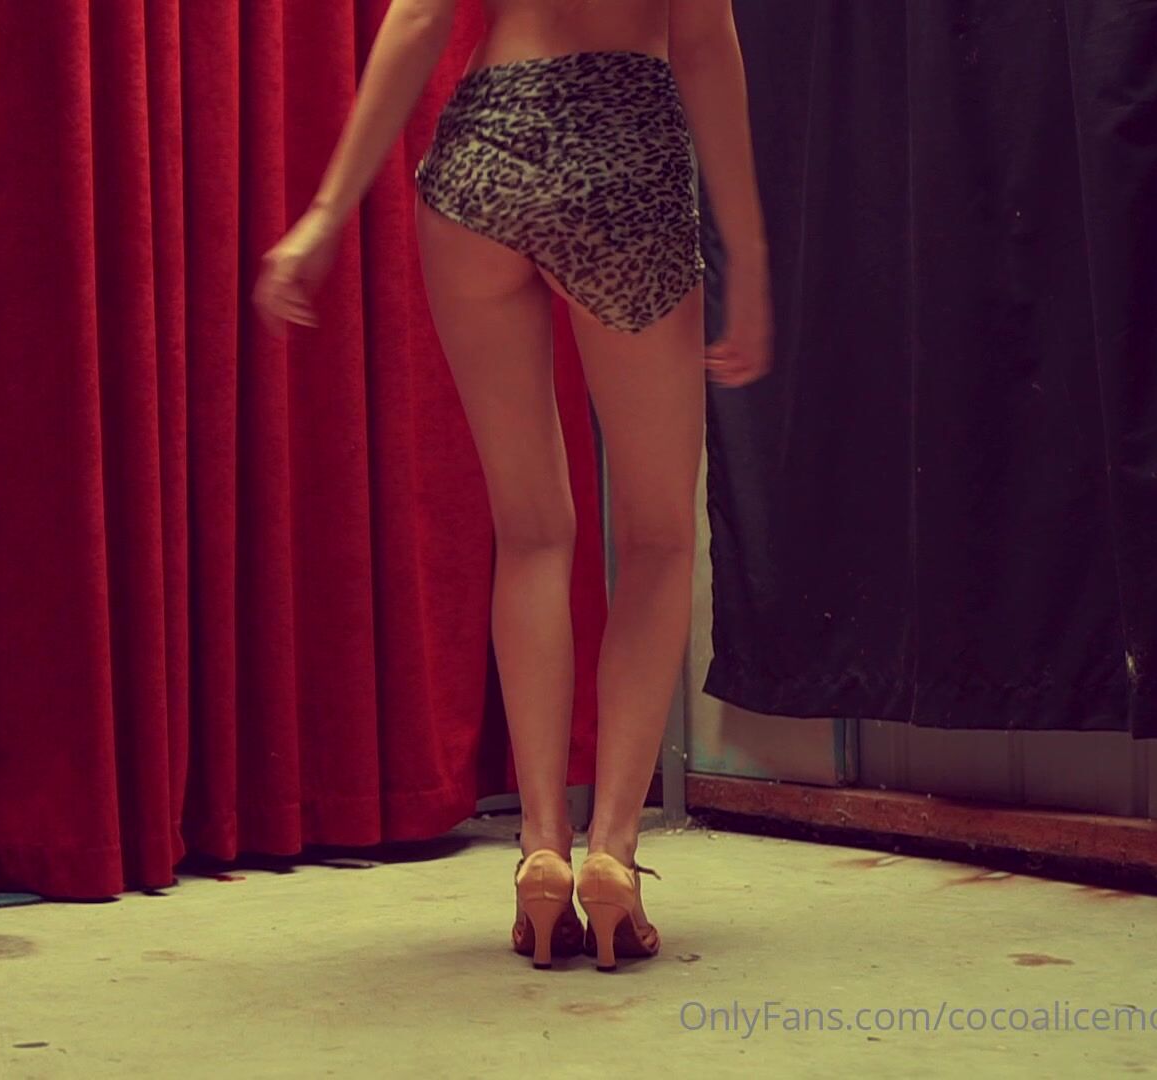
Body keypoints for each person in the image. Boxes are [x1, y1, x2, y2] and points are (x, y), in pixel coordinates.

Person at [253, 0, 771, 971]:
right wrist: (749, 248)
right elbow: (704, 47)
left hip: (484, 152)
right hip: (623, 152)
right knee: (657, 539)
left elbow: (418, 18)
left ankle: (540, 847)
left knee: (531, 530)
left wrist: (325, 213)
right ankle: (611, 853)